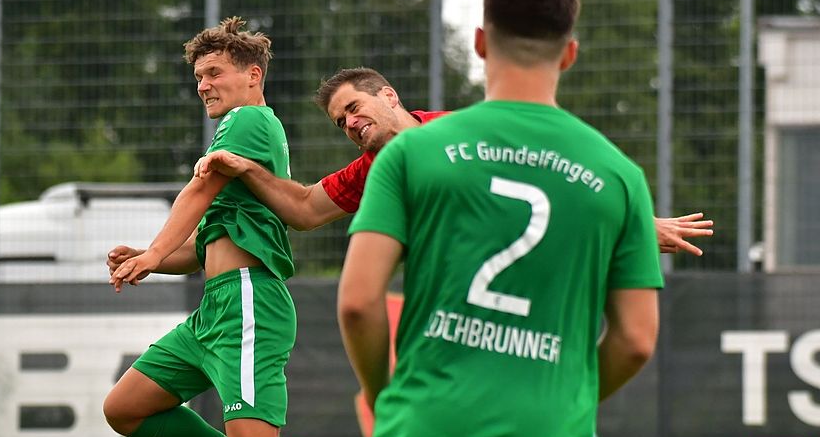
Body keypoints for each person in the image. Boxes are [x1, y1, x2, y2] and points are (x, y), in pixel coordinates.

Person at [336, 0, 662, 437]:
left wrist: (381, 396)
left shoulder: (410, 153)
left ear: (481, 43)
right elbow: (636, 340)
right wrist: (566, 397)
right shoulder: (619, 176)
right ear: (569, 54)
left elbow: (356, 303)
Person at [104, 16, 358, 437]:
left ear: (253, 75)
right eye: (199, 76)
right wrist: (151, 257)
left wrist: (154, 251)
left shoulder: (248, 120)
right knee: (125, 408)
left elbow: (199, 188)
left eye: (214, 72)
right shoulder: (239, 132)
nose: (203, 85)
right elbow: (202, 249)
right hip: (216, 308)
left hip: (248, 301)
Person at [194, 67, 712, 256]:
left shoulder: (465, 129)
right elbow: (306, 210)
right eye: (340, 122)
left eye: (353, 108)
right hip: (458, 315)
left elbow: (559, 178)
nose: (349, 123)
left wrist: (636, 223)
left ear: (389, 96)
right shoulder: (374, 169)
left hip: (534, 287)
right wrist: (247, 169)